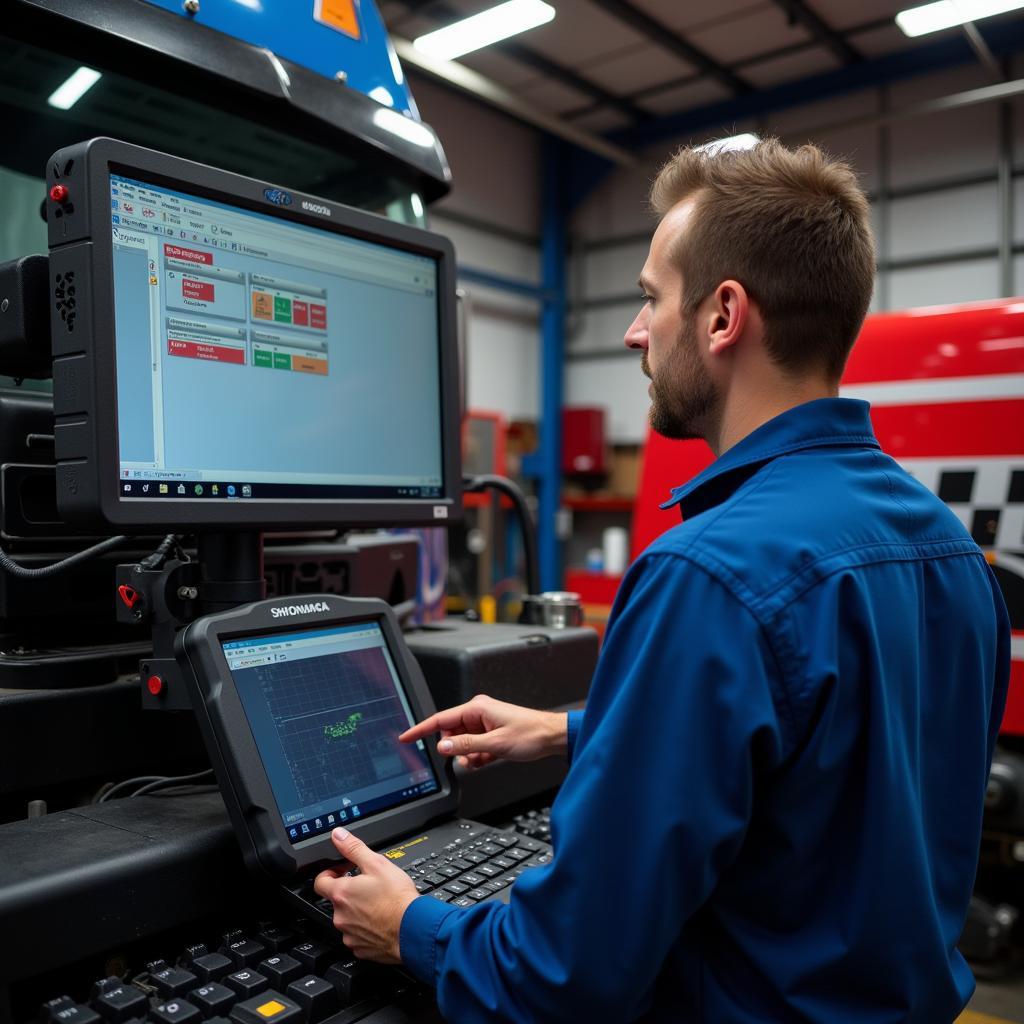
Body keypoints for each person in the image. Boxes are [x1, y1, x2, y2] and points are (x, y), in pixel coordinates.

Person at [314, 140, 1011, 1022]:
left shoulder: (705, 575)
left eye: (649, 297)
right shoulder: (951, 551)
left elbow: (564, 974)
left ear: (723, 317)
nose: (635, 331)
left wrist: (411, 925)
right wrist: (587, 727)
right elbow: (835, 761)